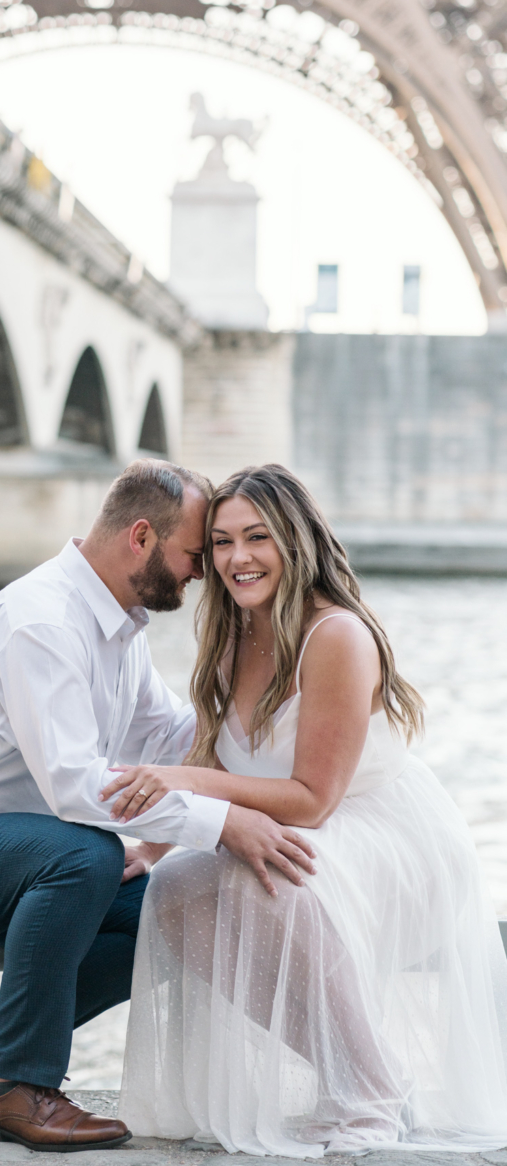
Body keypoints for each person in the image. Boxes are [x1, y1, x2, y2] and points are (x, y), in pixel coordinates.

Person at [0, 458, 316, 1152]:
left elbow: (171, 739)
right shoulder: (40, 621)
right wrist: (226, 824)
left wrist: (271, 728)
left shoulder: (118, 626)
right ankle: (17, 1086)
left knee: (175, 909)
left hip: (8, 856)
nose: (203, 573)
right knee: (86, 852)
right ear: (141, 537)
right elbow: (79, 790)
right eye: (196, 553)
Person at [108, 463, 507, 1156]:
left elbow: (313, 800)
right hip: (297, 829)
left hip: (384, 836)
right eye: (222, 543)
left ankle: (371, 1087)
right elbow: (216, 760)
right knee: (172, 895)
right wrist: (152, 849)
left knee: (262, 873)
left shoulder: (338, 636)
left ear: (296, 541)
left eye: (257, 538)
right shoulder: (233, 634)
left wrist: (178, 785)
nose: (237, 559)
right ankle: (354, 1069)